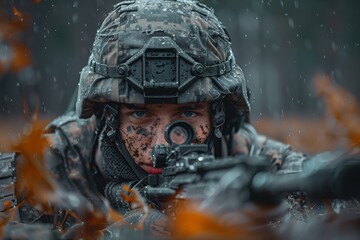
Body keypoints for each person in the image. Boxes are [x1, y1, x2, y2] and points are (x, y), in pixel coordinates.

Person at [3, 0, 358, 239]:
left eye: (187, 114)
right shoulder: (43, 170)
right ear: (108, 118)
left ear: (219, 116)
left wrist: (288, 225)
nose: (161, 143)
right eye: (140, 115)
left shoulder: (261, 166)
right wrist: (134, 232)